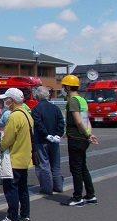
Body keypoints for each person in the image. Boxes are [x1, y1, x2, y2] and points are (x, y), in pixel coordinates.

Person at [0, 88, 33, 221]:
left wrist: (0, 148)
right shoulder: (27, 114)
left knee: (11, 189)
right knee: (23, 188)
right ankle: (25, 215)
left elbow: (7, 139)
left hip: (14, 158)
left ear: (11, 100)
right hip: (25, 157)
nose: (5, 102)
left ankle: (12, 218)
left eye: (6, 99)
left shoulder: (14, 116)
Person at [60, 75, 99, 207]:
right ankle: (90, 195)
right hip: (83, 137)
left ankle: (77, 198)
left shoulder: (72, 101)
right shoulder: (82, 100)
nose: (63, 88)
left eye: (64, 86)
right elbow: (86, 120)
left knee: (75, 168)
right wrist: (88, 134)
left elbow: (78, 120)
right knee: (83, 167)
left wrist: (86, 135)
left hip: (76, 138)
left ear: (69, 87)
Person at [31, 86, 65, 195]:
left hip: (41, 140)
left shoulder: (36, 109)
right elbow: (61, 122)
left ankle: (47, 187)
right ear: (48, 96)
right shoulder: (55, 108)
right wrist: (58, 135)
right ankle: (58, 186)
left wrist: (46, 135)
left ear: (37, 96)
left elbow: (38, 124)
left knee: (43, 164)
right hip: (54, 140)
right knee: (56, 164)